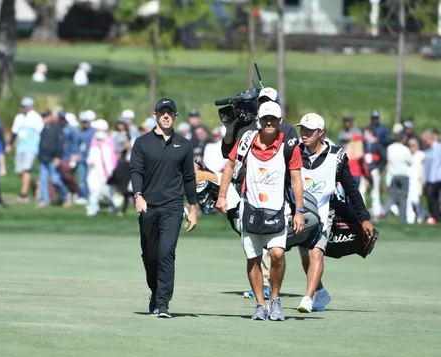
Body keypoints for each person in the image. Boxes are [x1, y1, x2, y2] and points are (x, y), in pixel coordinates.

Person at [216, 101, 305, 321]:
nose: (269, 122)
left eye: (273, 119)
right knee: (253, 258)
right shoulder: (246, 141)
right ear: (259, 120)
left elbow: (296, 179)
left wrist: (299, 210)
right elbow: (229, 166)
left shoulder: (289, 145)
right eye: (265, 118)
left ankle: (275, 300)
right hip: (251, 209)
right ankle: (260, 304)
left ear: (280, 121)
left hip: (277, 209)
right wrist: (221, 195)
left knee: (277, 254)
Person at [293, 113, 374, 313]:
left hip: (323, 214)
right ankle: (320, 292)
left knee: (316, 253)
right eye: (302, 129)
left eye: (309, 131)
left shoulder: (336, 157)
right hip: (301, 215)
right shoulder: (294, 152)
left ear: (321, 133)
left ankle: (307, 298)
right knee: (305, 257)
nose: (304, 134)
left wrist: (364, 218)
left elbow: (351, 189)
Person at [129, 98, 198, 318]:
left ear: (176, 116)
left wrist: (193, 208)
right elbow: (136, 171)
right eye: (162, 112)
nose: (166, 116)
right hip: (148, 206)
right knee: (150, 256)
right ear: (155, 114)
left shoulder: (184, 145)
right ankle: (156, 293)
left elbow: (189, 178)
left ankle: (163, 304)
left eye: (170, 112)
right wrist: (138, 195)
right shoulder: (142, 143)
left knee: (166, 252)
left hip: (173, 206)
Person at [8, 97, 43, 202]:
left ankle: (23, 194)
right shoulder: (19, 117)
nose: (24, 108)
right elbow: (14, 132)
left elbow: (40, 132)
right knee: (19, 170)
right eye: (23, 106)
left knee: (26, 169)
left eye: (26, 106)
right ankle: (34, 185)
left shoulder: (35, 117)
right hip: (21, 147)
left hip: (31, 147)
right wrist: (9, 144)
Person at [86, 119, 117, 216]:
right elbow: (91, 157)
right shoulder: (94, 141)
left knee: (106, 192)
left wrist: (110, 171)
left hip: (105, 173)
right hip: (94, 172)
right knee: (93, 190)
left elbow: (111, 160)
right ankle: (92, 209)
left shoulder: (108, 143)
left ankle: (113, 205)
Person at [385, 133, 412, 223]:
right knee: (403, 198)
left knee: (392, 196)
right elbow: (410, 161)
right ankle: (403, 219)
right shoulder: (405, 149)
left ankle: (384, 213)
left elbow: (389, 159)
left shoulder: (390, 148)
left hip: (394, 175)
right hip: (404, 175)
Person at [422, 130, 441, 224]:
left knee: (431, 196)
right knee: (432, 197)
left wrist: (433, 178)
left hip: (437, 178)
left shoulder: (438, 147)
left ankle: (436, 217)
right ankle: (435, 216)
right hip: (429, 178)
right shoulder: (427, 149)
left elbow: (437, 164)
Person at [406, 137, 426, 224]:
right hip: (409, 179)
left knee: (416, 199)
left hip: (418, 180)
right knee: (409, 200)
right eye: (410, 146)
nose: (412, 148)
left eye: (414, 146)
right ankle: (410, 219)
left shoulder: (421, 154)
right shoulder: (408, 155)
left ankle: (421, 214)